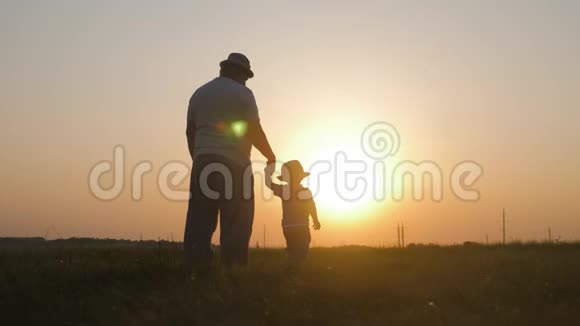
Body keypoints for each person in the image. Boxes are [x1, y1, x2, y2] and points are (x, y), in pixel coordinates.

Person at [184, 53, 276, 277]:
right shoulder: (244, 94)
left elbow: (190, 131)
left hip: (203, 162)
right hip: (236, 164)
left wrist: (198, 157)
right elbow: (253, 129)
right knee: (237, 221)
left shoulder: (199, 93)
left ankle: (196, 271)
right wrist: (270, 156)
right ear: (239, 73)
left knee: (199, 220)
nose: (246, 81)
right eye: (245, 76)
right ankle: (233, 273)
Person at [265, 160, 321, 274]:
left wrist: (268, 171)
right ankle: (297, 268)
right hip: (301, 226)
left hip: (287, 227)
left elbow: (268, 183)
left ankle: (291, 266)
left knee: (292, 247)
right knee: (303, 248)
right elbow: (311, 207)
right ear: (300, 177)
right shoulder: (305, 191)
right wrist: (315, 220)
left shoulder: (283, 190)